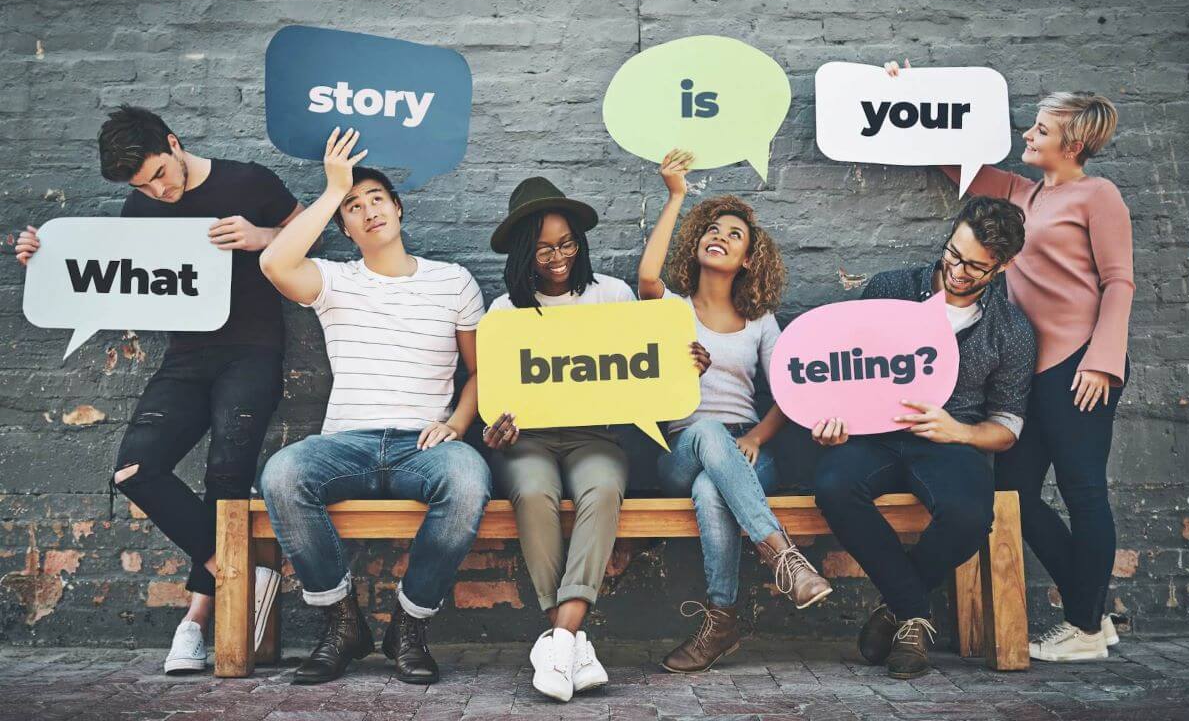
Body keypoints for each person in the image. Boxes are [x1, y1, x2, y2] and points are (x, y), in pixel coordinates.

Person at [16, 106, 301, 675]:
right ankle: (239, 569)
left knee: (225, 476)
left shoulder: (248, 181)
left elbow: (310, 232)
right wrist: (45, 257)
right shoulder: (139, 206)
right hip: (187, 357)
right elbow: (112, 278)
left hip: (253, 349)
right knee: (134, 470)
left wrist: (263, 235)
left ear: (174, 142)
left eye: (160, 174)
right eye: (143, 184)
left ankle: (195, 624)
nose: (158, 190)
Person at [884, 59, 1135, 661]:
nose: (1028, 134)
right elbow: (950, 160)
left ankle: (1082, 628)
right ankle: (1092, 614)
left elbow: (1120, 281)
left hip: (1079, 368)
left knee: (1084, 493)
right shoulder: (1022, 193)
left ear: (1072, 143)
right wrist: (903, 91)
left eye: (1041, 129)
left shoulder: (1098, 196)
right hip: (1027, 369)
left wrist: (1104, 360)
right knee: (1015, 497)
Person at [257, 128, 491, 685]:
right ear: (343, 226)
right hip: (346, 443)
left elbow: (483, 370)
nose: (367, 212)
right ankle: (343, 624)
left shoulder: (453, 281)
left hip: (423, 444)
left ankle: (408, 626)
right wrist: (332, 188)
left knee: (469, 481)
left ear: (399, 208)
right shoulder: (334, 280)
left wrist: (457, 424)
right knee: (284, 474)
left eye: (375, 200)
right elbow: (274, 262)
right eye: (353, 208)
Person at [812, 196, 1036, 680]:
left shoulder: (1011, 328)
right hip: (872, 435)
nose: (958, 270)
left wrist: (961, 431)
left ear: (1002, 266)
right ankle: (914, 612)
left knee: (969, 514)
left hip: (948, 441)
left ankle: (897, 612)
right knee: (833, 486)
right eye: (954, 254)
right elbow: (836, 365)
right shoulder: (891, 287)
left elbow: (1009, 425)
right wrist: (831, 419)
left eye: (976, 266)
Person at [638, 149, 832, 674]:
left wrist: (758, 439)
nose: (719, 235)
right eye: (713, 228)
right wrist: (677, 195)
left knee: (711, 488)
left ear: (748, 259)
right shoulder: (673, 308)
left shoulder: (761, 321)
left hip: (746, 446)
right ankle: (784, 560)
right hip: (681, 444)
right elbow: (647, 277)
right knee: (703, 433)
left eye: (735, 234)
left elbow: (789, 392)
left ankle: (721, 618)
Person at [481, 177, 635, 702]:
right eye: (545, 247)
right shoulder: (505, 312)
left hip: (597, 435)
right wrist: (495, 433)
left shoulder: (612, 295)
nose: (558, 256)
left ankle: (560, 637)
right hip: (531, 440)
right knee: (531, 490)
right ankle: (573, 643)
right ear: (526, 250)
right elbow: (494, 394)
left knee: (602, 489)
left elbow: (643, 373)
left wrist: (683, 366)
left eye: (567, 243)